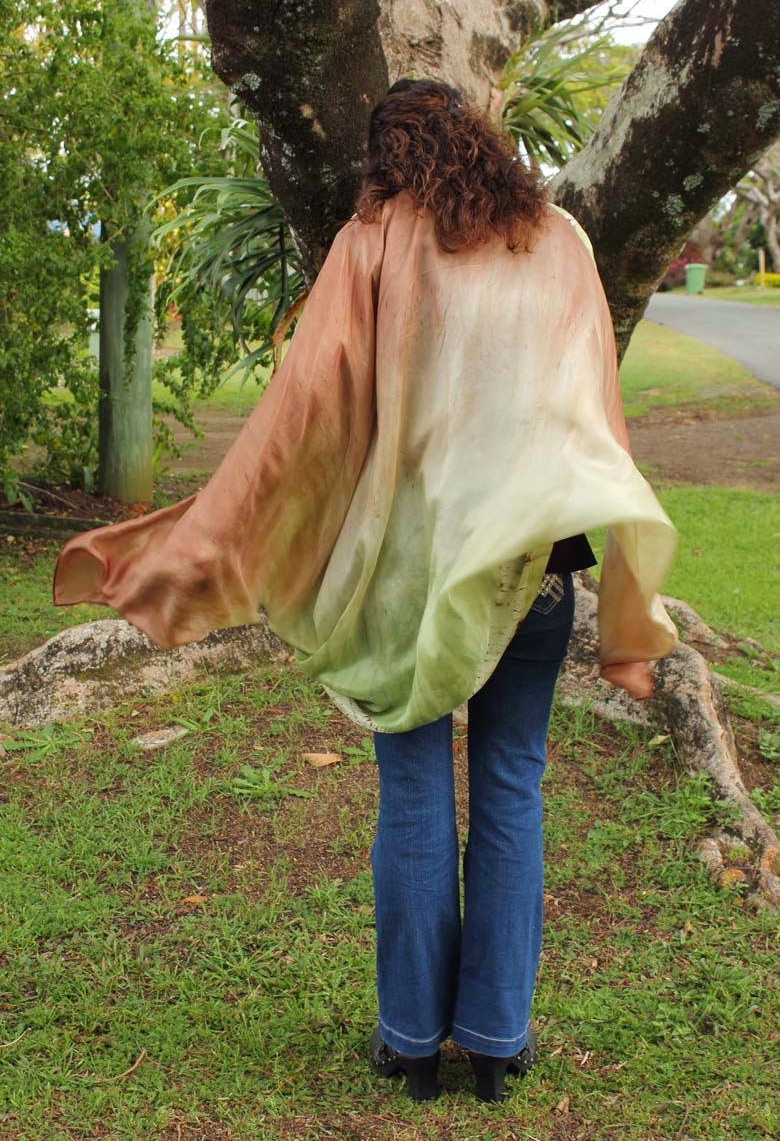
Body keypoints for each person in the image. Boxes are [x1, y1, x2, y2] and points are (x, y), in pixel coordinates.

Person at [53, 78, 677, 1104]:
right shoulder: (557, 238)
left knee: (415, 788)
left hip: (408, 581)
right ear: (480, 140)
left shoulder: (373, 241)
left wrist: (207, 537)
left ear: (388, 161)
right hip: (535, 570)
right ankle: (498, 1041)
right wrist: (629, 615)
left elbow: (303, 416)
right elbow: (596, 419)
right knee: (513, 786)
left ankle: (413, 1042)